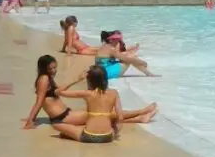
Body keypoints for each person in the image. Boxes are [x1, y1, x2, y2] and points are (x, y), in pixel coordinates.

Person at [23, 56, 157, 129]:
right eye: (51, 68)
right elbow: (39, 101)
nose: (54, 71)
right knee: (105, 115)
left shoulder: (48, 78)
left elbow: (58, 92)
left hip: (66, 114)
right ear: (44, 68)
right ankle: (141, 111)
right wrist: (31, 120)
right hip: (62, 118)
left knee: (103, 117)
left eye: (55, 68)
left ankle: (140, 118)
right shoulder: (44, 79)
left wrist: (76, 80)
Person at [50, 65, 125, 144]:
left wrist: (77, 80)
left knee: (55, 124)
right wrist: (114, 133)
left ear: (89, 80)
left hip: (89, 136)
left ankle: (71, 134)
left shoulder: (87, 94)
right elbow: (120, 118)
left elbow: (58, 92)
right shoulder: (114, 93)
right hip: (108, 137)